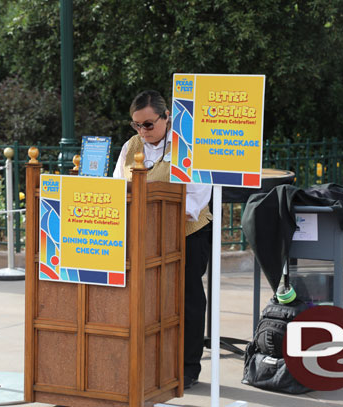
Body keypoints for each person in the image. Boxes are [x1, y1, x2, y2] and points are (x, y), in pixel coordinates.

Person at [113, 90, 212, 390]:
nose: (143, 131)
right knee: (150, 302)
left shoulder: (188, 145)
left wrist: (163, 213)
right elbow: (119, 185)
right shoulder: (131, 147)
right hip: (144, 237)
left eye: (148, 124)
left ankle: (187, 367)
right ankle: (152, 363)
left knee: (187, 299)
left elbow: (197, 195)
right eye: (137, 125)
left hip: (187, 236)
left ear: (167, 117)